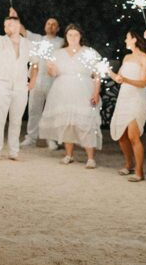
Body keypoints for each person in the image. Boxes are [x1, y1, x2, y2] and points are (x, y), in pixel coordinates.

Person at [39, 24, 103, 168]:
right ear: (66, 37)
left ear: (80, 36)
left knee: (85, 122)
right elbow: (54, 74)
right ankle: (69, 155)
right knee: (67, 122)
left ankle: (91, 158)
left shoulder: (89, 52)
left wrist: (96, 92)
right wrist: (51, 69)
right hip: (63, 89)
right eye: (70, 35)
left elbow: (97, 74)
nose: (73, 38)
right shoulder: (58, 53)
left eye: (76, 35)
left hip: (84, 88)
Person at [0, 14, 36, 161]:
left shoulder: (28, 44)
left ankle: (13, 151)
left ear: (18, 26)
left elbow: (35, 63)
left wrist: (33, 80)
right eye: (5, 25)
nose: (6, 28)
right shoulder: (0, 40)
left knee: (16, 121)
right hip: (2, 84)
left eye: (10, 24)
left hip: (21, 86)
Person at [108, 30, 146, 182]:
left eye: (127, 37)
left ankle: (140, 172)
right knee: (121, 136)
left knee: (133, 136)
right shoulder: (127, 57)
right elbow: (119, 78)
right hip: (124, 98)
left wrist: (125, 79)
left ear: (134, 39)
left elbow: (143, 82)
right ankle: (129, 164)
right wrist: (107, 72)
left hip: (137, 98)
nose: (125, 40)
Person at [20, 13, 63, 149]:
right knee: (34, 109)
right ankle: (31, 137)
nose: (51, 26)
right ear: (45, 27)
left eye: (54, 24)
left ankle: (51, 139)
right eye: (48, 23)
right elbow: (22, 30)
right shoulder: (38, 39)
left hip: (54, 80)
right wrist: (15, 17)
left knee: (52, 110)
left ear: (58, 28)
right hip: (37, 78)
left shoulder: (62, 42)